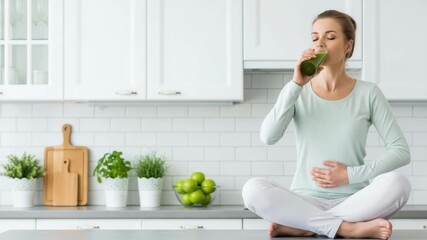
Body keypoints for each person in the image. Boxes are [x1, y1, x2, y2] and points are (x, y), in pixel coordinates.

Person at [242, 10, 410, 239]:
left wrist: (349, 175)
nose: (319, 43)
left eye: (330, 38)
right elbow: (268, 137)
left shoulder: (368, 93)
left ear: (348, 46)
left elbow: (401, 151)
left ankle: (307, 226)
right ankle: (346, 229)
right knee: (252, 189)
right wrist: (295, 84)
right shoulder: (297, 91)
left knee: (398, 183)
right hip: (304, 200)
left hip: (355, 201)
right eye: (314, 38)